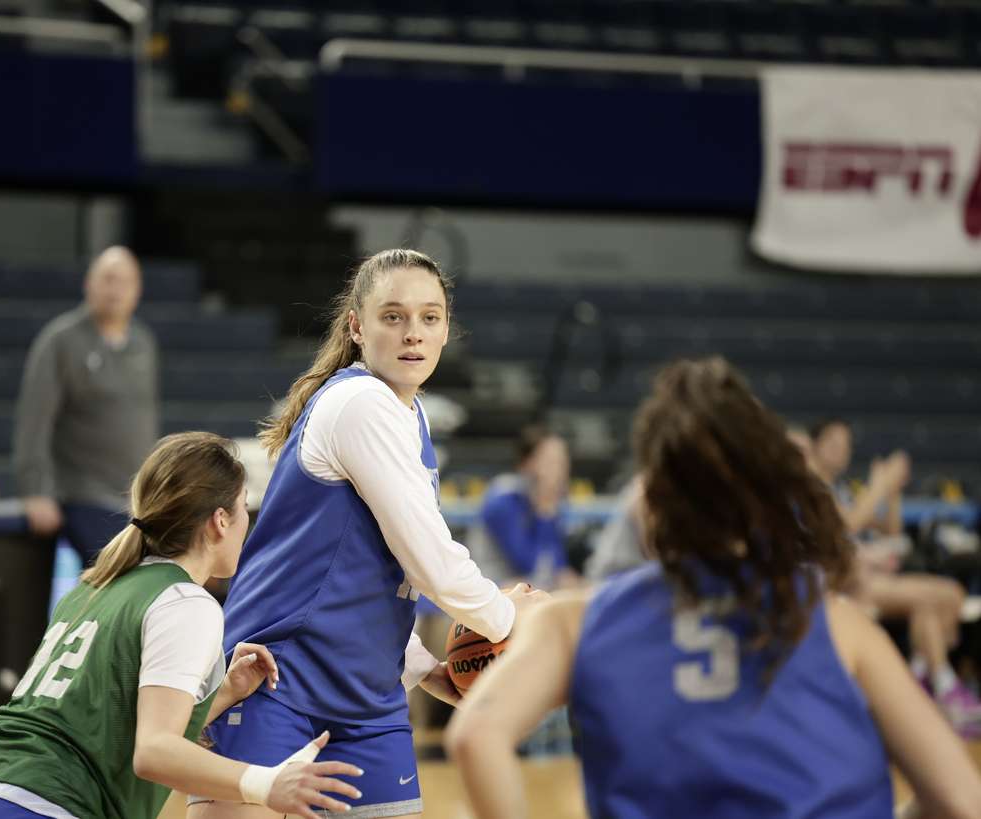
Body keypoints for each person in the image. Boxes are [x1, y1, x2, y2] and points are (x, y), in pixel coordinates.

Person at [447, 358, 981, 819]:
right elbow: (960, 799)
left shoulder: (573, 622)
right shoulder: (836, 623)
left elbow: (476, 737)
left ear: (648, 500)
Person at [188, 249, 546, 819]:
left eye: (430, 318)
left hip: (368, 693)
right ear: (357, 326)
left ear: (447, 328)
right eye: (393, 316)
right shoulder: (360, 403)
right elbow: (431, 560)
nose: (413, 334)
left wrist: (421, 667)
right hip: (276, 677)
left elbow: (378, 566)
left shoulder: (412, 414)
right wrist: (516, 628)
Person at [0, 432, 363, 819]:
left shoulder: (94, 587)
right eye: (243, 507)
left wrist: (221, 694)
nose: (248, 522)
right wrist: (265, 784)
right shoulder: (187, 602)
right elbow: (153, 752)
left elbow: (104, 721)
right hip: (39, 802)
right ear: (220, 520)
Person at [808, 419, 980, 735]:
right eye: (834, 444)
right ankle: (938, 686)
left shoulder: (844, 489)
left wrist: (894, 493)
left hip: (869, 579)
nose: (842, 451)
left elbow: (891, 530)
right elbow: (849, 525)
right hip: (848, 587)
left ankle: (925, 681)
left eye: (846, 445)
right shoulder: (813, 488)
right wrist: (880, 484)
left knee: (940, 601)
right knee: (942, 596)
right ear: (815, 446)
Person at [13, 245, 160, 566]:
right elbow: (34, 420)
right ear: (88, 284)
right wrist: (36, 490)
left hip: (134, 499)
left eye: (125, 281)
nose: (116, 289)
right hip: (82, 496)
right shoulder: (60, 341)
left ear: (137, 291)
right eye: (108, 279)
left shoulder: (143, 342)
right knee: (119, 576)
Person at [465, 425, 579, 591]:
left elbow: (557, 566)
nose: (561, 471)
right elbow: (529, 564)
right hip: (489, 589)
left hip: (527, 587)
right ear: (527, 463)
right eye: (551, 462)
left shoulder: (550, 502)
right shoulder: (503, 499)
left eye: (563, 462)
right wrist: (545, 514)